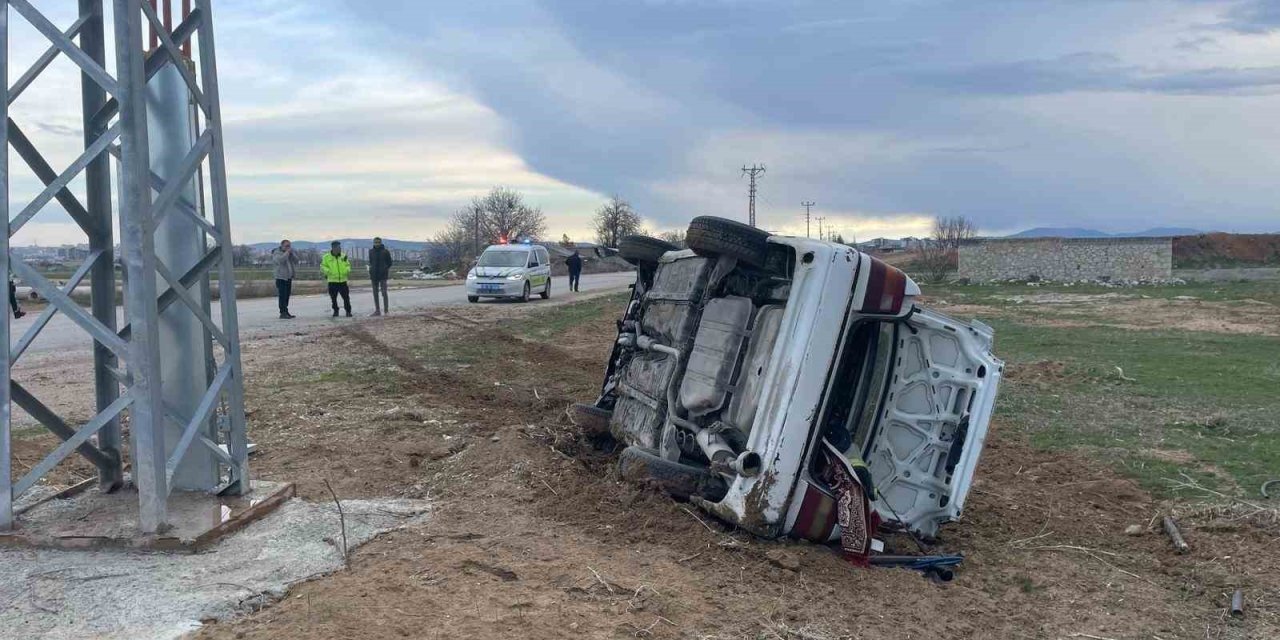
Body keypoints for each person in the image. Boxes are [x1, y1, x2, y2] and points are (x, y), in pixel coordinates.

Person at [321, 240, 353, 317]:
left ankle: (348, 311)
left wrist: (347, 270)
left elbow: (348, 265)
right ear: (333, 247)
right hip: (332, 281)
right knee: (333, 298)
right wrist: (328, 271)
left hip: (343, 280)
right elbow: (322, 266)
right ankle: (336, 311)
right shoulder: (326, 257)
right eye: (338, 247)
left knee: (346, 298)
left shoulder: (343, 256)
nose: (339, 248)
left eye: (340, 247)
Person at [272, 239, 298, 319]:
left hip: (288, 278)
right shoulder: (276, 253)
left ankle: (286, 311)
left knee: (287, 295)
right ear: (282, 246)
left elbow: (296, 261)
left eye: (289, 246)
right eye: (286, 246)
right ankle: (282, 312)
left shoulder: (289, 253)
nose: (288, 247)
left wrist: (292, 254)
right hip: (281, 278)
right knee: (282, 296)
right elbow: (280, 261)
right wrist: (287, 253)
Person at [368, 237, 393, 316]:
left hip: (383, 275)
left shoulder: (385, 252)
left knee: (384, 292)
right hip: (374, 275)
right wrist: (371, 270)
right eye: (375, 242)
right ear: (373, 243)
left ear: (381, 243)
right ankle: (377, 310)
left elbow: (390, 263)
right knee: (375, 293)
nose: (377, 244)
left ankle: (386, 310)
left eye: (378, 242)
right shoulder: (371, 251)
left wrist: (385, 269)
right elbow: (371, 262)